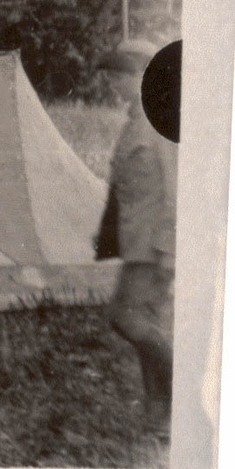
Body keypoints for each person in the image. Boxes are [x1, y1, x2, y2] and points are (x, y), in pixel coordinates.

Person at [98, 39, 176, 438]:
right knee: (145, 324)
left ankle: (187, 384)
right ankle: (159, 419)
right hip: (137, 244)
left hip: (155, 247)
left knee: (125, 319)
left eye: (120, 75)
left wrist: (169, 250)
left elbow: (177, 192)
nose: (113, 84)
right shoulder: (136, 120)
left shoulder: (164, 122)